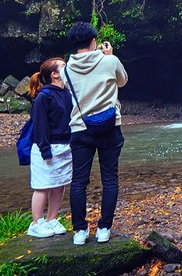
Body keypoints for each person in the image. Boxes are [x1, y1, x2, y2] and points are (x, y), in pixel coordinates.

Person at [65, 22, 128, 245]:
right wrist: (110, 55)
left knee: (78, 181)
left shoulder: (65, 69)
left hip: (80, 128)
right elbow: (122, 81)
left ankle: (80, 231)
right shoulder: (110, 61)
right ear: (94, 41)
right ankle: (103, 229)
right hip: (109, 127)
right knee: (109, 179)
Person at [26, 57, 73, 238]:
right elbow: (40, 125)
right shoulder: (44, 96)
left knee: (59, 185)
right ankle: (36, 223)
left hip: (65, 146)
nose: (67, 69)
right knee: (42, 186)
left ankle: (51, 219)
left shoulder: (67, 93)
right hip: (46, 147)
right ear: (54, 74)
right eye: (63, 67)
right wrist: (45, 149)